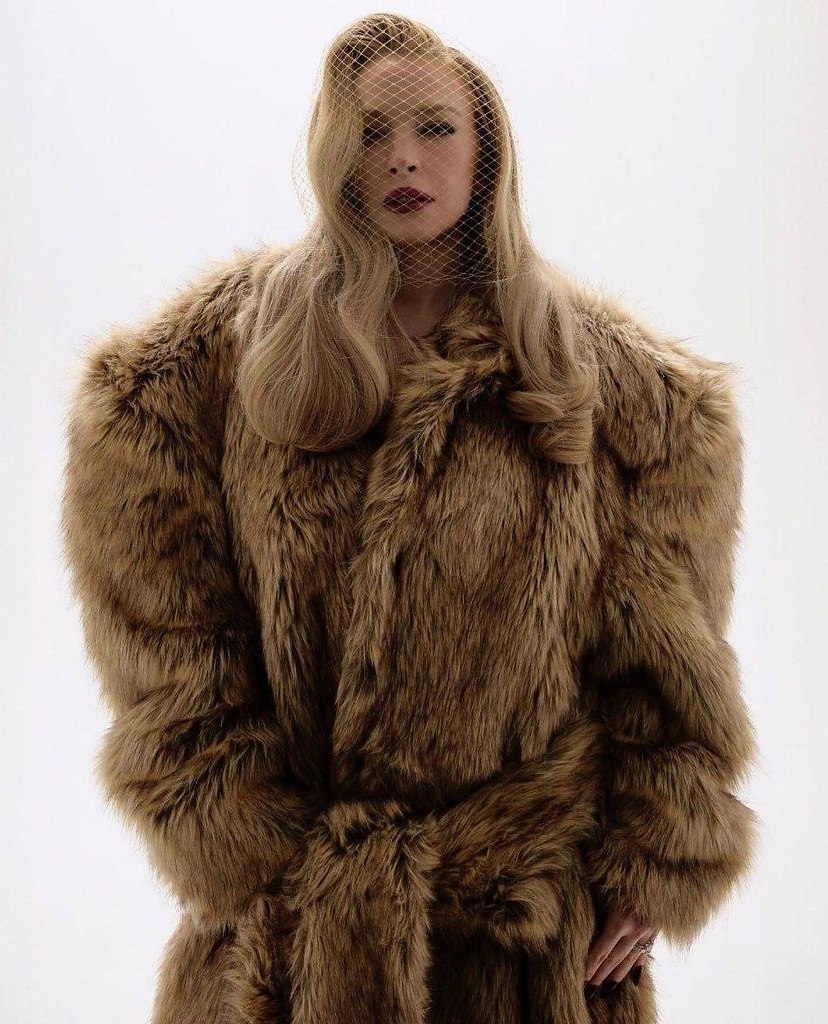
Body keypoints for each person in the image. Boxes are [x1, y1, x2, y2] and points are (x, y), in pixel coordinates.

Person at [59, 12, 759, 1024]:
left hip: (523, 957)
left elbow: (665, 669)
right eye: (369, 131)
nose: (401, 158)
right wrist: (253, 858)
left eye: (435, 127)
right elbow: (172, 659)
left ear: (488, 148)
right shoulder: (200, 373)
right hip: (282, 948)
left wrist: (655, 857)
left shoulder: (625, 394)